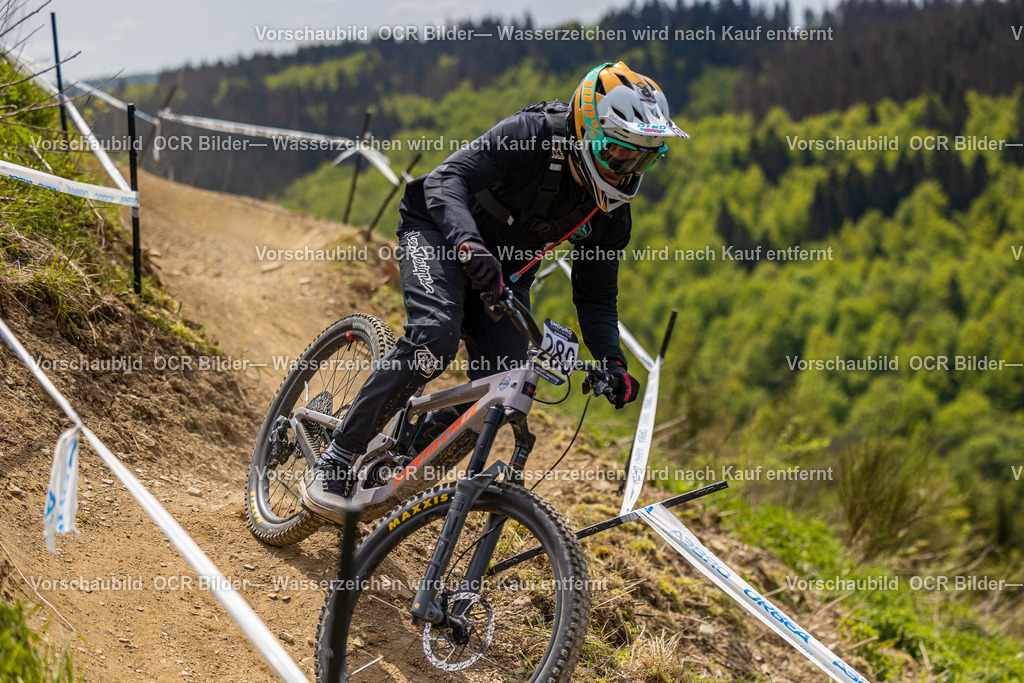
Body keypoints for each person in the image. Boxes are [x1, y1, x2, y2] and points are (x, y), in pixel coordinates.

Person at [299, 61, 689, 522]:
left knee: (503, 383)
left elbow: (596, 296)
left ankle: (402, 456)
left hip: (505, 275)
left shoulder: (611, 215)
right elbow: (446, 180)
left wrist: (611, 360)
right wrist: (467, 242)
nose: (627, 169)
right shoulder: (533, 134)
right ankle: (340, 456)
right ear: (587, 131)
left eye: (644, 157)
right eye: (620, 153)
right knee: (434, 341)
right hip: (440, 234)